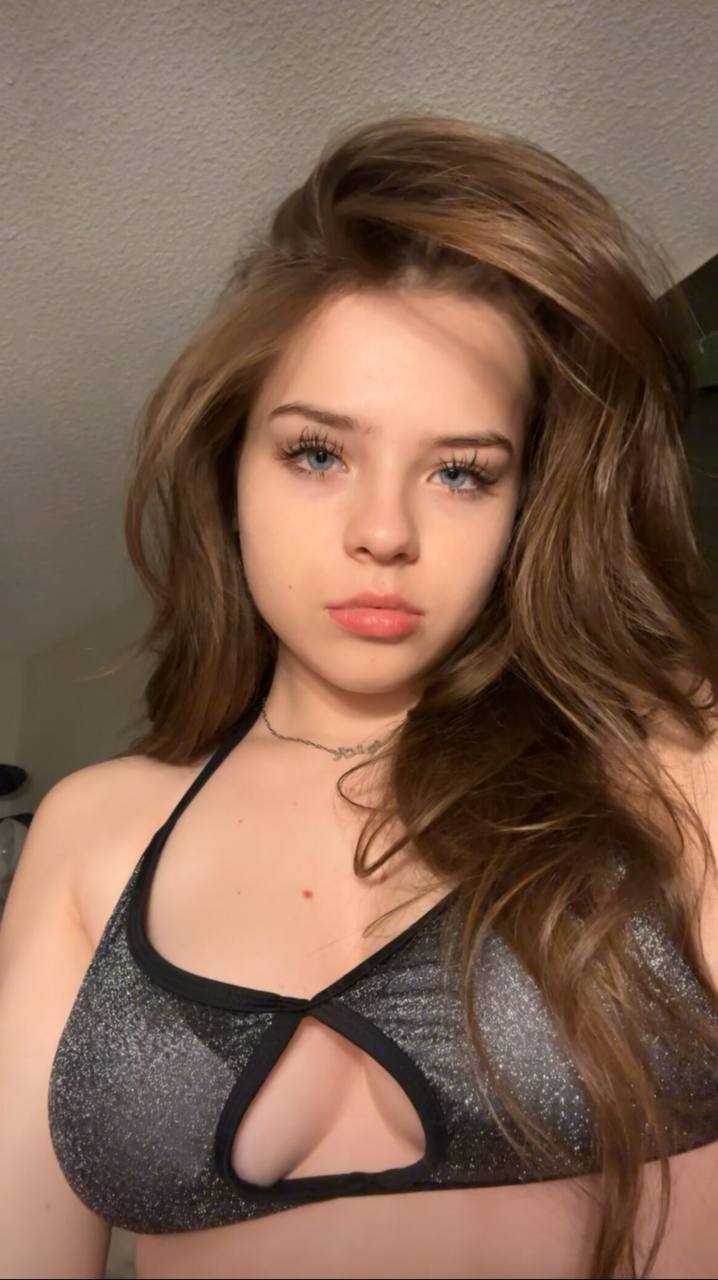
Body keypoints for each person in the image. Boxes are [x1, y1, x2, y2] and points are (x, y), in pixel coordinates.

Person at [2, 113, 718, 1280]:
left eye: (460, 471)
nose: (384, 531)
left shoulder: (672, 764)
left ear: (524, 509)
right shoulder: (93, 832)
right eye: (318, 453)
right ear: (229, 469)